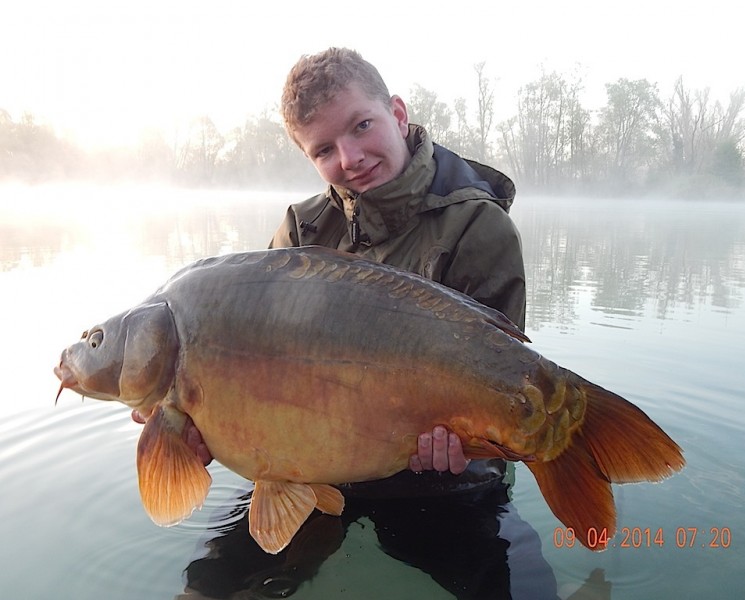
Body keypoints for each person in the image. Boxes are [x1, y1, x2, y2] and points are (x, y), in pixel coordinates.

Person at [144, 48, 555, 599]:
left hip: (442, 481)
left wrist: (469, 441)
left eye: (362, 126)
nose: (351, 157)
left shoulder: (476, 225)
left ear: (398, 114)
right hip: (314, 470)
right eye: (324, 149)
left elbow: (499, 373)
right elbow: (265, 380)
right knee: (208, 589)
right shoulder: (301, 232)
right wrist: (209, 428)